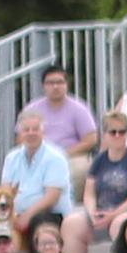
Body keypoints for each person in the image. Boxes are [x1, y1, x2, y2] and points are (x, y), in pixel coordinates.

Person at [65, 112, 127, 253]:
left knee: (120, 224)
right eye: (112, 132)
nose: (117, 136)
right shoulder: (99, 160)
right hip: (104, 213)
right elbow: (89, 193)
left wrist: (114, 214)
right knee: (71, 224)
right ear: (105, 135)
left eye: (122, 132)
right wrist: (92, 212)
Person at [20, 66, 99, 196]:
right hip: (38, 154)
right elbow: (21, 137)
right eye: (50, 83)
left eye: (60, 82)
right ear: (43, 86)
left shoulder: (79, 108)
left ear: (67, 85)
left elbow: (91, 139)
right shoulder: (32, 108)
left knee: (76, 170)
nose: (55, 86)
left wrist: (61, 154)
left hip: (71, 155)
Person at [0, 111, 72, 239]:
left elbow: (51, 197)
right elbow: (6, 191)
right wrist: (10, 215)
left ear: (43, 132)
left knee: (38, 221)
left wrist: (27, 215)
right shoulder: (11, 157)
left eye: (35, 129)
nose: (31, 133)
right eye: (26, 130)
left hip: (49, 214)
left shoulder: (56, 157)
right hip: (17, 213)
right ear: (20, 133)